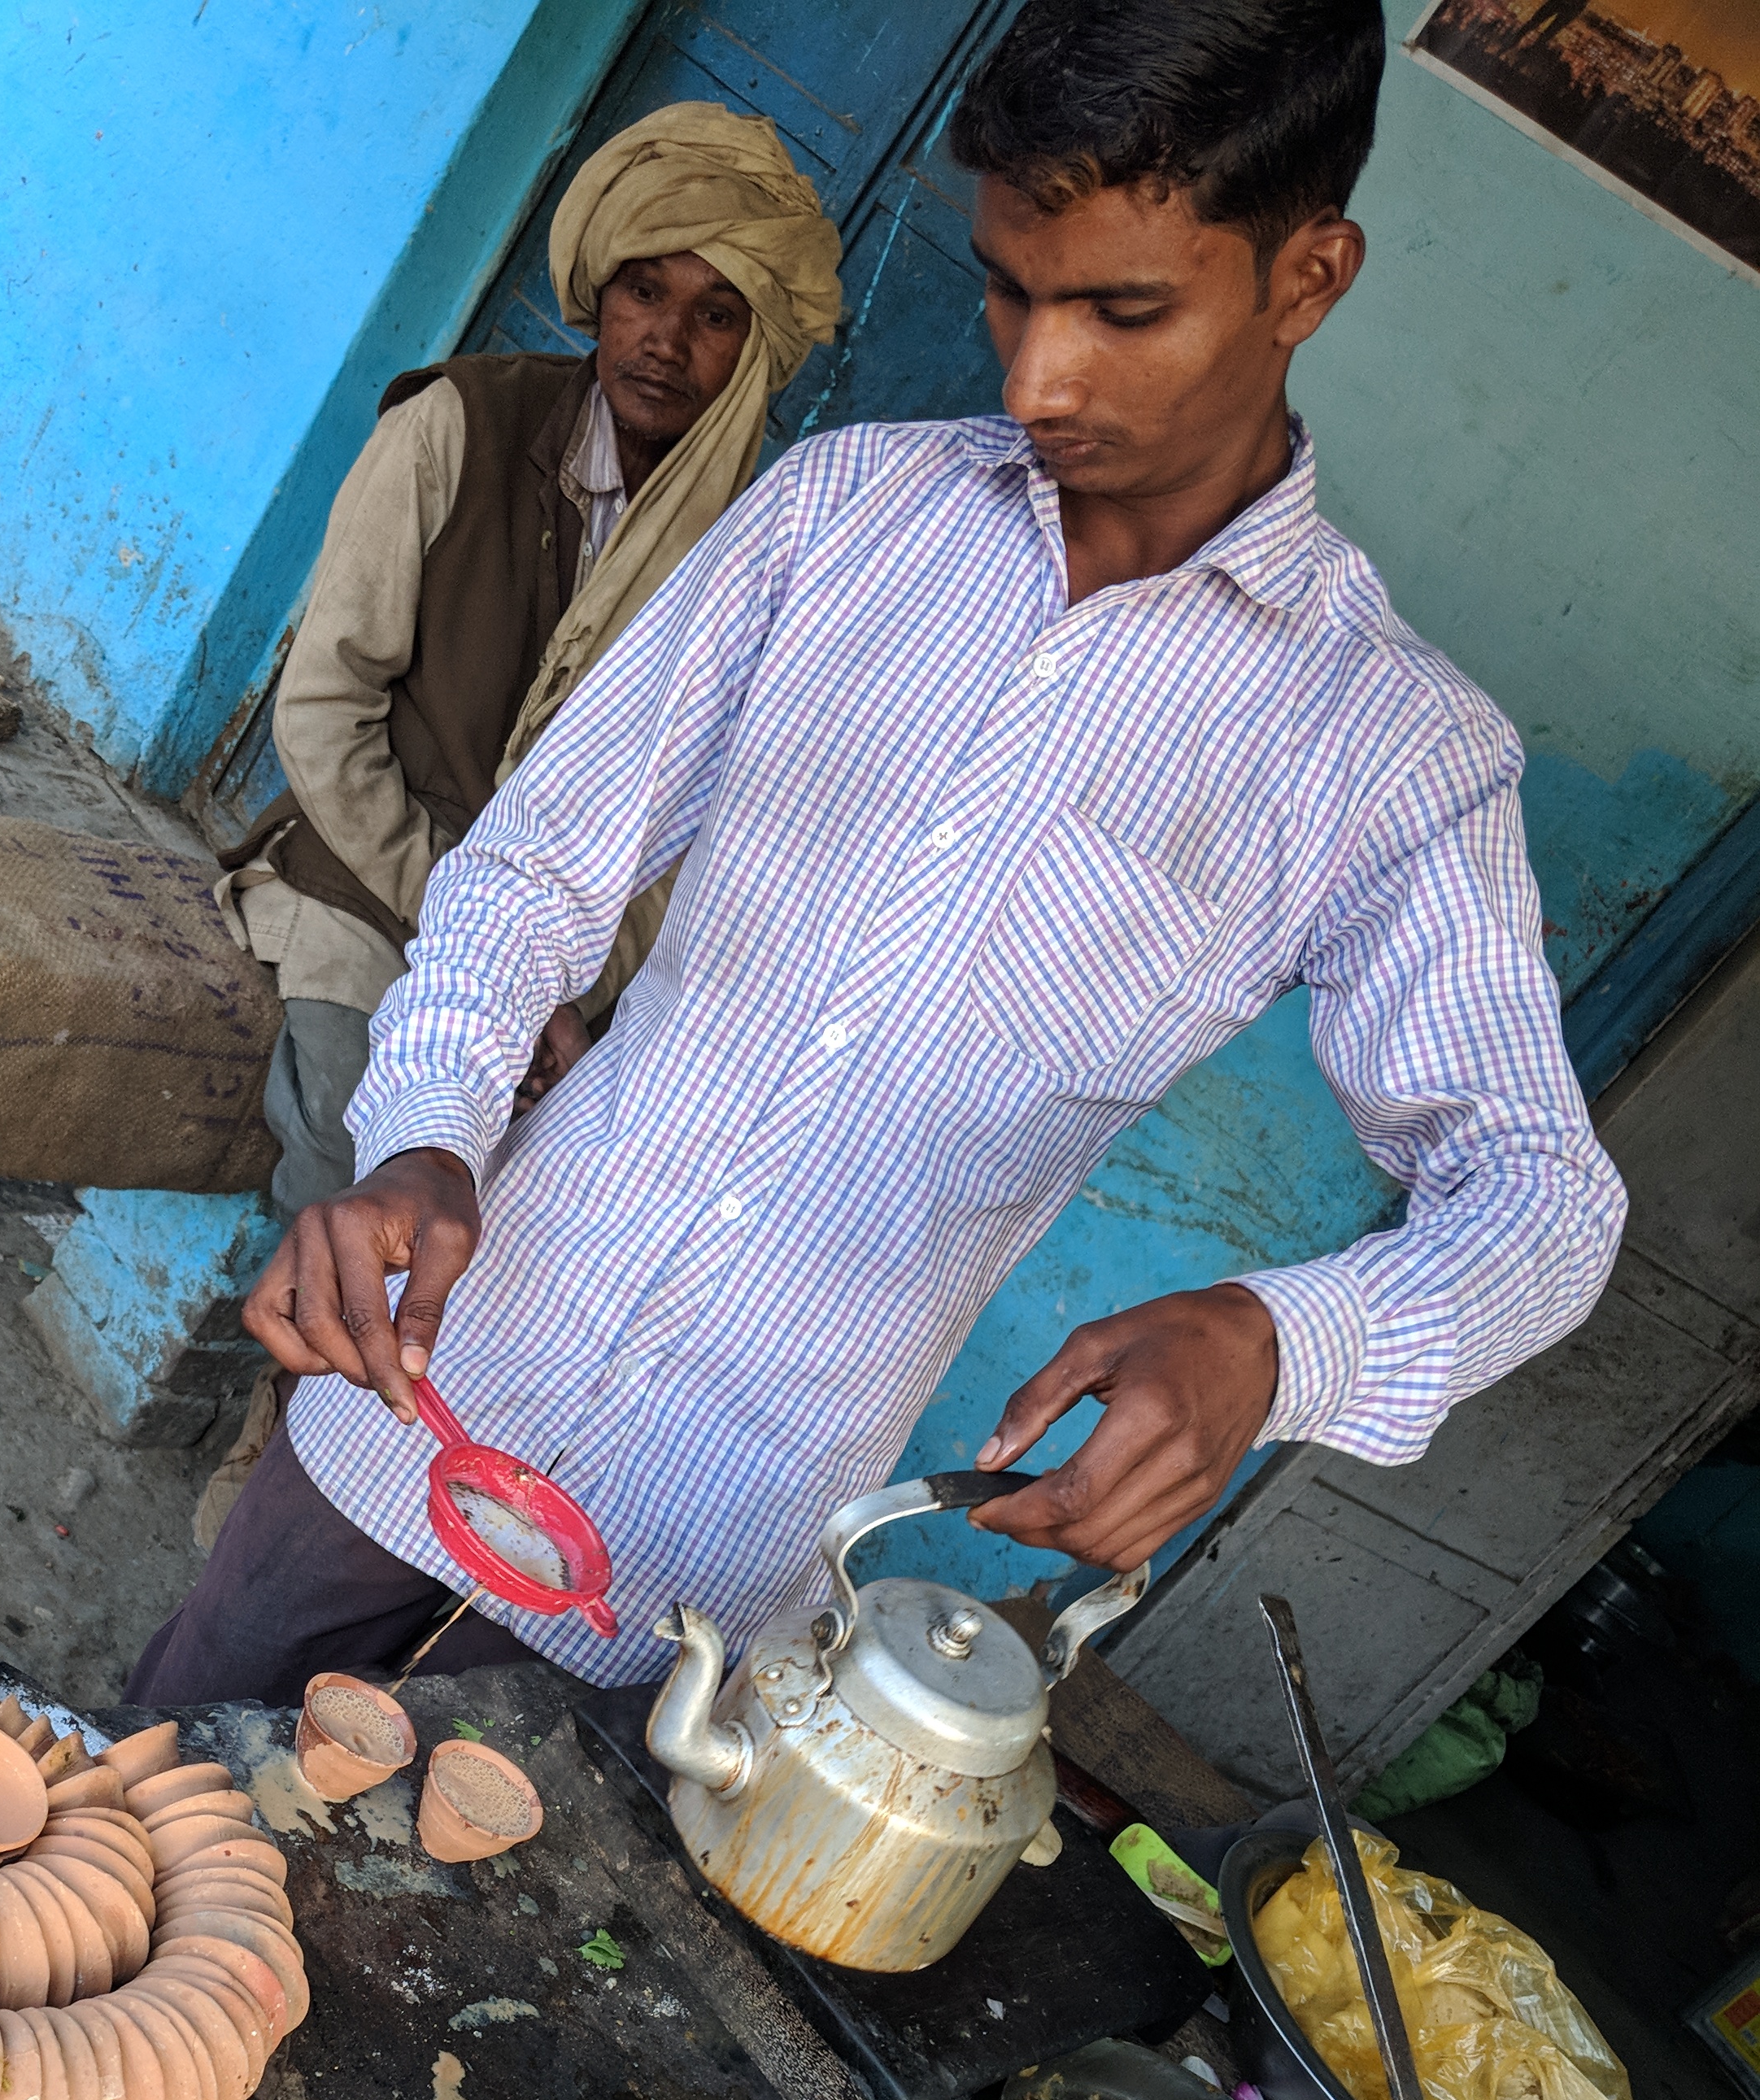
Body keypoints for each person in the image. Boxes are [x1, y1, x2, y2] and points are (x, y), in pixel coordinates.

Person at [130, 0, 1627, 1710]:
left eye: (1123, 309)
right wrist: (425, 1137)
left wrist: (1280, 1344)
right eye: (1008, 286)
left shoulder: (1387, 753)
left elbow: (1538, 1201)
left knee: (430, 1935)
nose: (1035, 377)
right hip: (441, 1373)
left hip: (703, 1548)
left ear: (1308, 278)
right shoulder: (847, 511)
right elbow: (540, 868)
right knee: (145, 1805)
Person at [190, 104, 839, 1547]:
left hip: (581, 973)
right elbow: (325, 716)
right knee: (363, 1161)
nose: (667, 338)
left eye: (719, 314)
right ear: (596, 293)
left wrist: (584, 994)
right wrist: (483, 945)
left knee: (586, 1218)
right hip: (372, 896)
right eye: (644, 290)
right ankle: (274, 1441)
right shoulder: (456, 428)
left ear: (758, 351)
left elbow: (702, 826)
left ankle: (419, 1493)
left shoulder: (760, 547)